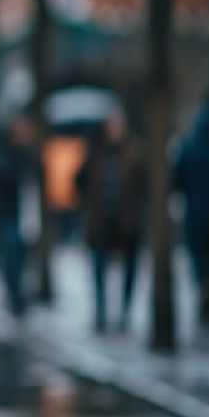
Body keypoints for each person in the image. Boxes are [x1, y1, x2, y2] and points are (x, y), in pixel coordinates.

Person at [77, 113, 145, 334]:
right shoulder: (95, 154)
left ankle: (125, 311)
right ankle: (101, 311)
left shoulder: (133, 153)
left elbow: (144, 185)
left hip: (127, 221)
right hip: (101, 221)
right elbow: (79, 181)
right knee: (99, 267)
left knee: (130, 268)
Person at [174, 94, 209, 331]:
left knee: (199, 258)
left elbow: (178, 181)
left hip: (195, 216)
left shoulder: (189, 149)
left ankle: (203, 285)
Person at [0, 116, 34, 318]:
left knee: (21, 257)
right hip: (8, 213)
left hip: (26, 215)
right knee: (11, 256)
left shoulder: (28, 154)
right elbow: (1, 177)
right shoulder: (5, 153)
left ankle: (18, 293)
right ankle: (14, 294)